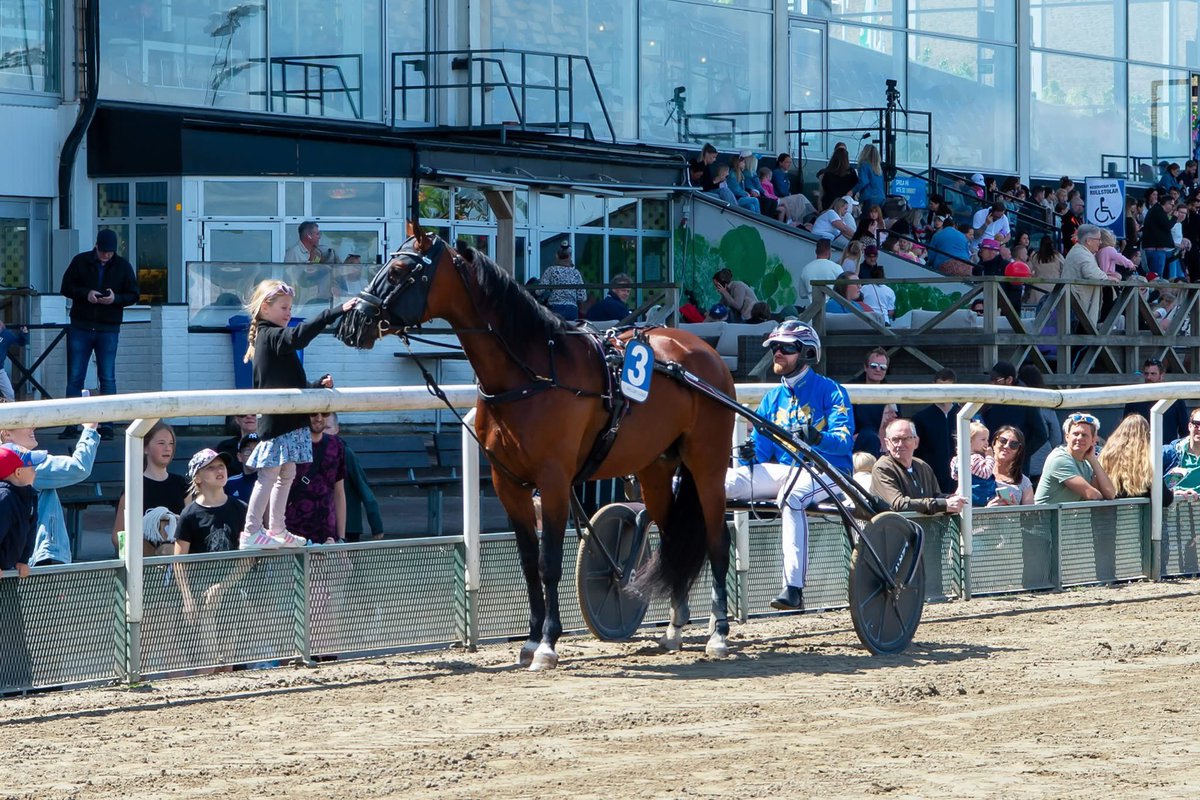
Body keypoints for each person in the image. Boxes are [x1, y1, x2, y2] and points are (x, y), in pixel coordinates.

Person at [724, 321, 853, 612]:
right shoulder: (771, 398)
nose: (777, 353)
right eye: (774, 347)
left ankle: (793, 587)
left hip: (830, 471)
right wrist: (746, 455)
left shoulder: (831, 391)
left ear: (807, 353)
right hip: (785, 472)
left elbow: (843, 442)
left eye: (786, 348)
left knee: (792, 497)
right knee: (723, 483)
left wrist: (817, 437)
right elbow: (760, 455)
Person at [239, 280, 355, 549]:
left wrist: (315, 387)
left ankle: (277, 527)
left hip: (289, 420)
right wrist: (332, 312)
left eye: (290, 307)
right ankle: (251, 531)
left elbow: (290, 384)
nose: (289, 313)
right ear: (265, 308)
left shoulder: (273, 337)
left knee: (287, 473)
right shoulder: (269, 335)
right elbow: (297, 336)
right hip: (277, 422)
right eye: (284, 307)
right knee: (268, 476)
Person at [58, 228, 140, 440]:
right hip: (83, 325)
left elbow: (134, 294)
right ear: (97, 246)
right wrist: (86, 294)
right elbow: (66, 287)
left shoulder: (122, 266)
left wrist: (116, 299)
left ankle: (107, 425)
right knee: (76, 376)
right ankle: (71, 424)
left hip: (107, 327)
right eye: (104, 251)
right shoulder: (80, 261)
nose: (106, 255)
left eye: (110, 252)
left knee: (107, 377)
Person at [1, 417, 100, 567]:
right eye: (24, 423)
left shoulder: (14, 468)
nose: (33, 426)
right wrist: (90, 429)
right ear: (6, 433)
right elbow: (79, 467)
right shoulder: (30, 468)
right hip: (40, 555)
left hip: (23, 557)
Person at [111, 420, 190, 555]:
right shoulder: (134, 486)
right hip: (143, 565)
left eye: (171, 443)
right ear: (145, 448)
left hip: (175, 564)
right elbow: (117, 536)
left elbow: (189, 531)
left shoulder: (182, 485)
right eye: (161, 443)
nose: (168, 448)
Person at [0, 443, 41, 692]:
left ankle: (17, 686)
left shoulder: (28, 496)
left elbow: (28, 532)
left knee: (12, 633)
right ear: (17, 472)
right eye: (30, 465)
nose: (35, 469)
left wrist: (23, 560)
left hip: (8, 577)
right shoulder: (4, 498)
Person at [870, 419, 967, 515]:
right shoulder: (882, 468)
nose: (900, 444)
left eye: (906, 439)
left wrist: (953, 499)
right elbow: (898, 504)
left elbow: (935, 496)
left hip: (926, 528)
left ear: (916, 442)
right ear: (887, 443)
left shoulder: (922, 466)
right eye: (895, 440)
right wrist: (943, 504)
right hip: (894, 529)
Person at [284, 412, 347, 545]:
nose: (319, 418)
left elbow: (339, 492)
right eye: (313, 413)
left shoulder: (337, 445)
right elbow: (272, 489)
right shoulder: (289, 443)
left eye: (324, 413)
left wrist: (341, 537)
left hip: (327, 535)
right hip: (290, 534)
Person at [1034, 413, 1116, 504]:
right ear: (1067, 437)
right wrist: (1104, 498)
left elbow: (1110, 494)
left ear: (1093, 440)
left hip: (1066, 517)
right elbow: (1092, 495)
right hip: (1047, 517)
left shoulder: (1088, 463)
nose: (1079, 438)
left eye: (1084, 435)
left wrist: (1093, 460)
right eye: (1076, 434)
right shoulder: (1059, 458)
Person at [324, 413, 383, 542]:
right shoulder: (311, 453)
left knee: (348, 561)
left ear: (336, 429)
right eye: (321, 428)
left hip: (349, 525)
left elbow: (363, 487)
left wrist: (376, 523)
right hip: (322, 523)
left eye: (327, 427)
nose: (324, 432)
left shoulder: (346, 454)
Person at [980, 361, 1049, 461]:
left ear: (1009, 380)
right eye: (991, 379)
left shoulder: (1026, 399)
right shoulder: (990, 397)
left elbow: (1041, 435)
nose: (992, 383)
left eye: (996, 380)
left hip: (1017, 467)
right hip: (992, 460)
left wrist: (1020, 455)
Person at [912, 368, 960, 494]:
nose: (943, 392)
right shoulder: (920, 418)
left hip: (961, 481)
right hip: (930, 481)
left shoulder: (965, 417)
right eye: (940, 387)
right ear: (933, 386)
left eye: (948, 388)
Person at [1061, 224, 1118, 329]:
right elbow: (1091, 273)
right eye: (1098, 239)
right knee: (1080, 336)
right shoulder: (1082, 254)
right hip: (1079, 305)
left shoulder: (1080, 251)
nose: (1100, 242)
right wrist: (1107, 278)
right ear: (1089, 241)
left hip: (1078, 303)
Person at [1123, 357, 1190, 441]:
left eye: (1153, 374)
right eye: (1146, 373)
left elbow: (1185, 431)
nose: (1149, 377)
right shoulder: (1135, 399)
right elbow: (1126, 429)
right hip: (1140, 450)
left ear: (1161, 376)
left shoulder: (1174, 399)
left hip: (1167, 450)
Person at [851, 348, 894, 457]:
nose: (878, 370)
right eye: (874, 366)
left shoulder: (892, 392)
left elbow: (895, 422)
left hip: (883, 447)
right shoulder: (851, 390)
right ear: (866, 367)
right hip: (856, 446)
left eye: (883, 367)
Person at [950, 421, 997, 507]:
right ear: (969, 441)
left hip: (968, 497)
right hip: (979, 497)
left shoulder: (957, 459)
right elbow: (986, 473)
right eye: (983, 440)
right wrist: (990, 457)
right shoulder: (975, 458)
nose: (987, 443)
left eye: (987, 439)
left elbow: (954, 476)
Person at [989, 425, 1035, 506]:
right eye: (1003, 441)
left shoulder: (1024, 482)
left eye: (1014, 444)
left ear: (1018, 451)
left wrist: (1014, 508)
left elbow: (1031, 517)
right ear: (994, 443)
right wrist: (986, 509)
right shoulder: (978, 473)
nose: (1006, 446)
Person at [541, 242, 587, 321]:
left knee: (555, 332)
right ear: (570, 256)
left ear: (557, 256)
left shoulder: (551, 270)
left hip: (555, 309)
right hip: (571, 310)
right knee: (571, 333)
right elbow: (582, 297)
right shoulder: (576, 273)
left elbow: (540, 290)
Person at [1162, 406, 1200, 498]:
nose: (1199, 429)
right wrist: (1170, 494)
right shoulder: (1171, 452)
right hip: (1174, 510)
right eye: (1197, 424)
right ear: (1189, 426)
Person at [796, 239, 843, 310]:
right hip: (832, 309)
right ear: (829, 252)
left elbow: (802, 294)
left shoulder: (806, 268)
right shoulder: (836, 268)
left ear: (816, 251)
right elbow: (844, 290)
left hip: (811, 309)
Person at [1141, 194, 1176, 278]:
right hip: (1156, 250)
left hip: (1153, 249)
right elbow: (1167, 225)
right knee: (1156, 277)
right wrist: (1175, 217)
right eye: (1172, 205)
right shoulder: (1158, 211)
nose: (1173, 207)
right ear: (1167, 204)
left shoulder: (1155, 210)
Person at [223, 432, 259, 504]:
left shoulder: (274, 483)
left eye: (258, 451)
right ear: (239, 456)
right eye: (248, 451)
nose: (253, 456)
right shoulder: (229, 484)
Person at [0, 321, 27, 401]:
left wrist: (23, 333)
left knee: (10, 395)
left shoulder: (6, 334)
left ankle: (9, 412)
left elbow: (20, 342)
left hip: (0, 370)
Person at [853, 144, 885, 209]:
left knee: (866, 218)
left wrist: (852, 191)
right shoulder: (878, 168)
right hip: (881, 197)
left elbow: (863, 181)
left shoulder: (864, 164)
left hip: (869, 197)